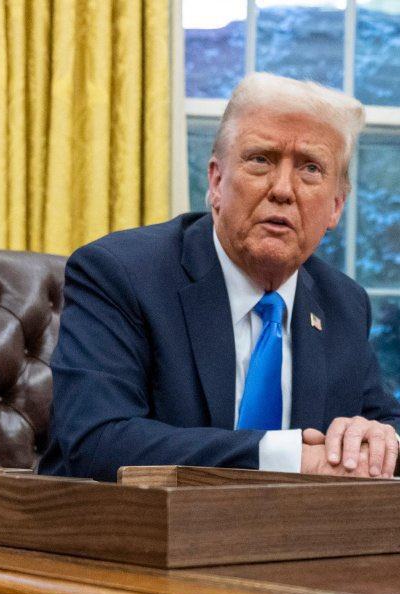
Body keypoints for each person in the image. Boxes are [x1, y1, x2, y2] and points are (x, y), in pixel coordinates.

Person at [47, 72, 400, 482]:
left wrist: (380, 439)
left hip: (294, 541)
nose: (283, 189)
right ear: (216, 182)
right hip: (122, 537)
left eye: (310, 168)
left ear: (336, 206)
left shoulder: (342, 303)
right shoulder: (120, 273)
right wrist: (288, 458)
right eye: (260, 160)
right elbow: (96, 442)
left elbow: (386, 423)